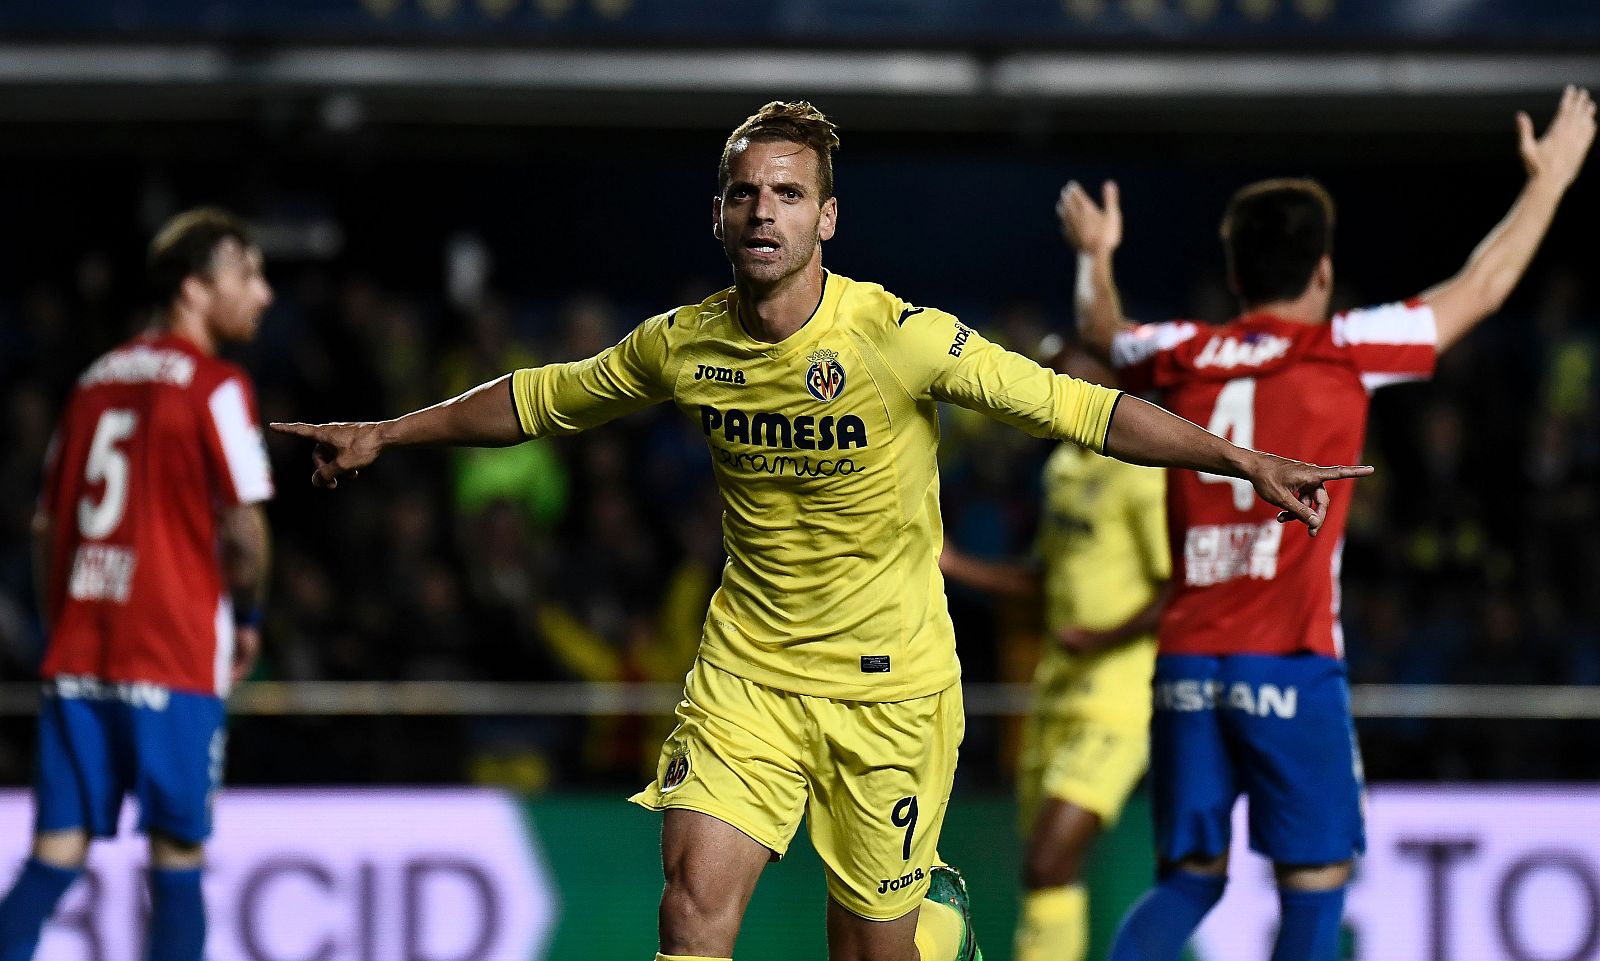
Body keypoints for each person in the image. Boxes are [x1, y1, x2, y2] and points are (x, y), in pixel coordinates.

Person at [273, 101, 1368, 961]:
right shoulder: (681, 344)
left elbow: (1080, 408)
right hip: (748, 673)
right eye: (745, 193)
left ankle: (929, 926)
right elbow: (541, 397)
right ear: (718, 215)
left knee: (872, 949)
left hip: (889, 689)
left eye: (789, 194)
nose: (765, 211)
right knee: (690, 911)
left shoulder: (899, 338)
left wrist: (1241, 458)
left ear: (826, 219)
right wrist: (388, 432)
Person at [1055, 86, 1595, 961]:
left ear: (1236, 276)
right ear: (1322, 274)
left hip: (1188, 660)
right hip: (1291, 659)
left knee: (1188, 881)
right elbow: (1485, 285)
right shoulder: (1345, 347)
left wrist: (1096, 254)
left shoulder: (1183, 350)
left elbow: (1099, 328)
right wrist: (1550, 180)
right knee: (1313, 887)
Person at [0, 208, 275, 961]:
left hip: (81, 652)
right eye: (247, 273)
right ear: (193, 288)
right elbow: (244, 529)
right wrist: (249, 616)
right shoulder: (217, 384)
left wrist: (63, 621)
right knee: (176, 858)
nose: (264, 293)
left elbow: (45, 528)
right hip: (173, 652)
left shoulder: (91, 382)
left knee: (55, 855)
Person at [941, 339, 1169, 961]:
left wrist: (1102, 636)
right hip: (1055, 690)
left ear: (1108, 385)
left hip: (1116, 700)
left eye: (1070, 380)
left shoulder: (1143, 474)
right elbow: (1045, 581)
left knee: (1050, 858)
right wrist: (956, 565)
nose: (1057, 395)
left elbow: (1180, 586)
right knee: (1047, 869)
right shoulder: (1064, 468)